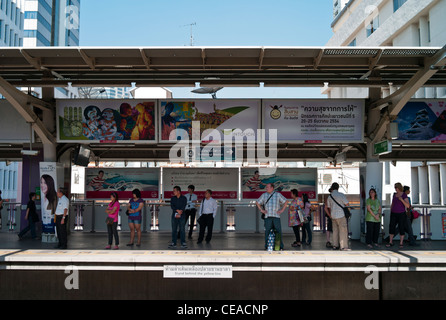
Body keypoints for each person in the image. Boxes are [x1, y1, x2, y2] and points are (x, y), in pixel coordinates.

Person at [256, 183, 288, 251]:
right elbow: (257, 202)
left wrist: (282, 210)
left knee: (278, 232)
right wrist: (261, 210)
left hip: (276, 216)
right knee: (267, 231)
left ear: (272, 188)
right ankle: (267, 246)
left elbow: (286, 201)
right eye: (266, 187)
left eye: (267, 187)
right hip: (267, 217)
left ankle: (280, 246)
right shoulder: (264, 195)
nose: (266, 188)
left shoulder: (278, 194)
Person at [326, 182, 350, 251]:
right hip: (341, 215)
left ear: (332, 188)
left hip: (333, 216)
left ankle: (335, 245)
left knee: (335, 231)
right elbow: (347, 204)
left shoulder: (330, 196)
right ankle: (343, 246)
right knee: (343, 231)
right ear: (338, 188)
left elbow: (328, 207)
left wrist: (330, 215)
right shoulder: (341, 195)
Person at [386, 183, 411, 249]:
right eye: (395, 188)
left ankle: (401, 242)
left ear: (399, 188)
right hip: (394, 213)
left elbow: (408, 205)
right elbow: (392, 203)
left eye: (397, 188)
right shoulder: (394, 194)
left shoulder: (404, 195)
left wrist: (401, 200)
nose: (396, 189)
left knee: (401, 227)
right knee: (391, 226)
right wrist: (391, 211)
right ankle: (390, 242)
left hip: (401, 214)